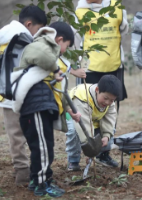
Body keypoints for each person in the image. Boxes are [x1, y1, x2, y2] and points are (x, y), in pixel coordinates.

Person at [11, 21, 80, 197]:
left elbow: (59, 90)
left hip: (42, 105)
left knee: (43, 146)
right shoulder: (40, 44)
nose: (64, 51)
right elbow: (40, 54)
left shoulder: (48, 53)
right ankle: (42, 184)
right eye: (66, 46)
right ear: (59, 39)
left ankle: (37, 179)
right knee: (42, 148)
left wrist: (68, 110)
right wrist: (56, 68)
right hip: (35, 106)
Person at [66, 0, 129, 169]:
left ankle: (103, 153)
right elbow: (74, 41)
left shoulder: (116, 6)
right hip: (89, 68)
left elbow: (124, 29)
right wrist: (76, 66)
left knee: (107, 109)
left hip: (113, 65)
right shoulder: (79, 12)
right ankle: (83, 153)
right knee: (84, 113)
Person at [0, 5, 47, 185]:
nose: (37, 34)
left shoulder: (4, 33)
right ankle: (22, 173)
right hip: (19, 94)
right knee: (23, 134)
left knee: (15, 135)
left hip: (6, 94)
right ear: (29, 24)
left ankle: (22, 170)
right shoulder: (23, 38)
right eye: (38, 29)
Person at [66, 75, 121, 170]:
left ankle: (101, 156)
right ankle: (73, 160)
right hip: (75, 118)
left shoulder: (109, 101)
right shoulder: (82, 97)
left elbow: (109, 118)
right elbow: (83, 125)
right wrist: (90, 149)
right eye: (105, 98)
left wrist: (106, 136)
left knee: (110, 134)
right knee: (74, 132)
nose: (108, 102)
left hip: (93, 118)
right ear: (97, 90)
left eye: (112, 100)